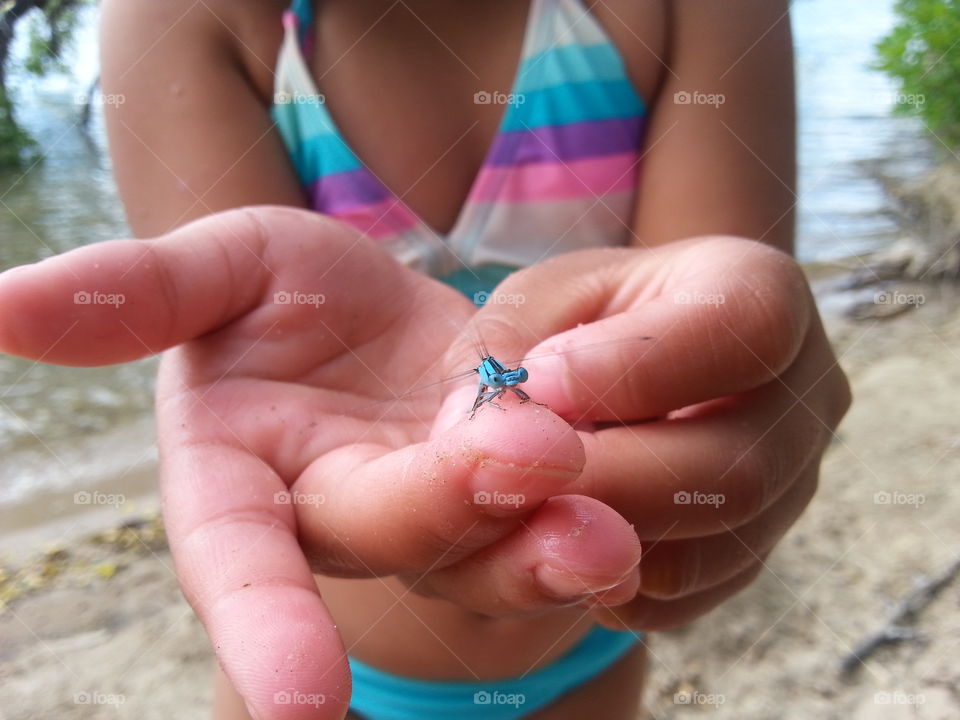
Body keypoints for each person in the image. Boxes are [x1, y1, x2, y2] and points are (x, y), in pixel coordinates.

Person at [0, 0, 851, 718]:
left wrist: (745, 351)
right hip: (328, 658)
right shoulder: (187, 21)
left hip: (582, 651)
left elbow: (701, 355)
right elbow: (248, 371)